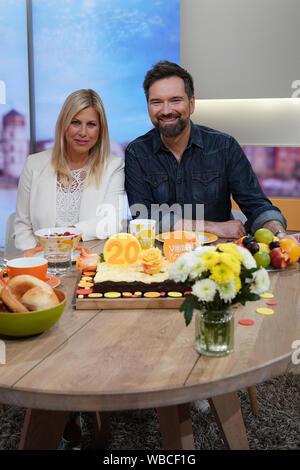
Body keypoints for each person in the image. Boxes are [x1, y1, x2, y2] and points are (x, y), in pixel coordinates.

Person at [125, 61, 300, 245]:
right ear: (148, 106)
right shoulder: (137, 153)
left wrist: (280, 235)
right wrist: (213, 227)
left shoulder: (224, 146)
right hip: (158, 258)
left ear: (191, 104)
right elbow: (143, 217)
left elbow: (257, 205)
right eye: (157, 102)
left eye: (175, 100)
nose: (166, 110)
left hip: (219, 258)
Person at [14, 89, 125, 251]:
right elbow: (22, 226)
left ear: (100, 130)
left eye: (91, 125)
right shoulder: (33, 164)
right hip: (40, 262)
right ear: (64, 124)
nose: (83, 132)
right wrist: (38, 256)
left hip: (89, 264)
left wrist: (63, 236)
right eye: (76, 122)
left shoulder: (113, 166)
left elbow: (110, 221)